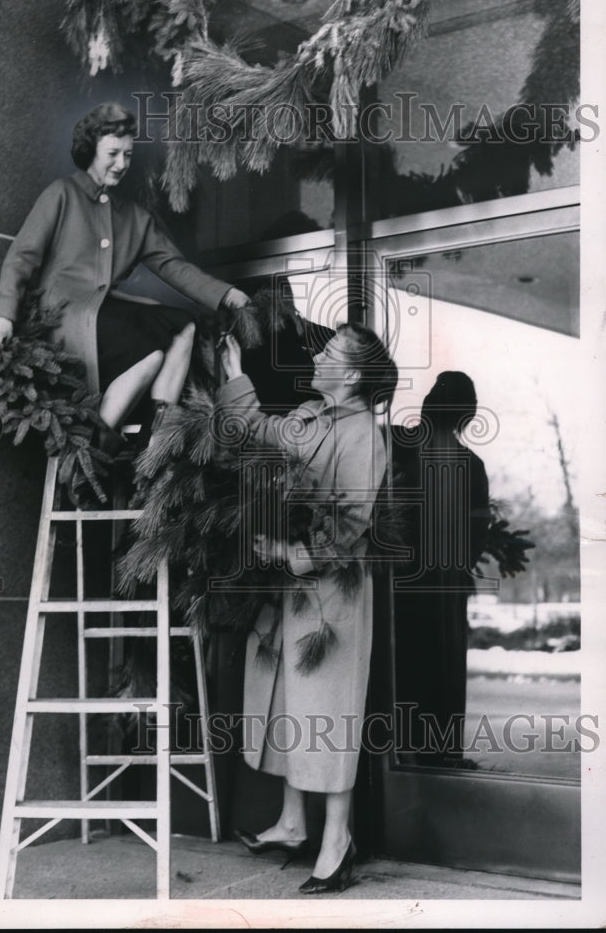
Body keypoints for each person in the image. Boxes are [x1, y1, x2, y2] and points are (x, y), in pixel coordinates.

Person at [218, 323, 397, 894]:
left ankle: (336, 842)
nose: (317, 356)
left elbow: (349, 524)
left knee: (326, 710)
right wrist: (233, 374)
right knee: (288, 697)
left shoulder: (364, 432)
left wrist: (292, 553)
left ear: (351, 374)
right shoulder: (313, 414)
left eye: (329, 352)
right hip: (294, 584)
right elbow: (257, 430)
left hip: (332, 592)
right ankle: (294, 824)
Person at [0, 102, 249, 453]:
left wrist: (227, 294)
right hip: (65, 318)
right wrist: (2, 315)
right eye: (112, 153)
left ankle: (159, 432)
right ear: (90, 149)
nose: (122, 164)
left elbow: (173, 266)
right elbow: (22, 256)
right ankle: (100, 438)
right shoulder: (61, 194)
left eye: (127, 154)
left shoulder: (133, 217)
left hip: (107, 314)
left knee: (184, 324)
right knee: (150, 353)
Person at [391, 371, 490, 763]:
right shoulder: (472, 464)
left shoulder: (398, 445)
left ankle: (400, 749)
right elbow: (477, 533)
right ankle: (440, 751)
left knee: (404, 664)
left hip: (399, 580)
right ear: (468, 414)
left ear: (429, 404)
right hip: (445, 583)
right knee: (442, 667)